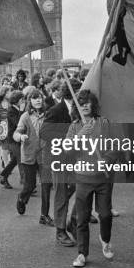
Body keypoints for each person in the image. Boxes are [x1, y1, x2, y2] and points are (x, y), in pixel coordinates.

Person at [65, 90, 120, 267]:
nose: (85, 105)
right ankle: (82, 253)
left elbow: (115, 146)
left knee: (105, 214)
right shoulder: (74, 126)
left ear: (93, 104)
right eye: (81, 102)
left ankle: (105, 239)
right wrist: (79, 136)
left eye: (88, 102)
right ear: (77, 106)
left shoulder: (104, 123)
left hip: (103, 178)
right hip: (83, 178)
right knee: (82, 218)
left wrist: (108, 159)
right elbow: (66, 150)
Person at [40, 78, 81, 247]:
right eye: (79, 90)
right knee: (61, 194)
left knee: (82, 189)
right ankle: (60, 230)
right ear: (71, 92)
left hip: (76, 158)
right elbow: (44, 132)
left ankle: (72, 221)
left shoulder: (81, 110)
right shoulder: (56, 110)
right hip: (59, 158)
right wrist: (68, 137)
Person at [14, 89, 53, 225]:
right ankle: (22, 198)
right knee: (30, 186)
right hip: (29, 155)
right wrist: (21, 136)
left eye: (40, 98)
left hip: (44, 155)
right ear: (30, 101)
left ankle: (44, 215)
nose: (38, 100)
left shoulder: (48, 115)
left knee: (46, 185)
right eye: (34, 98)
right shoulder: (25, 116)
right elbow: (16, 133)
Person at [0, 91, 24, 189]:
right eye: (22, 99)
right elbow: (18, 123)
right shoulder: (11, 110)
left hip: (18, 139)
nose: (23, 101)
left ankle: (4, 176)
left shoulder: (17, 109)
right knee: (21, 159)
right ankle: (25, 183)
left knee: (14, 160)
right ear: (17, 100)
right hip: (12, 140)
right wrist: (21, 111)